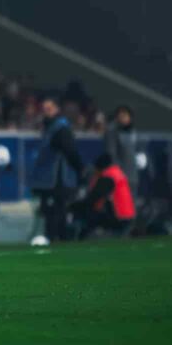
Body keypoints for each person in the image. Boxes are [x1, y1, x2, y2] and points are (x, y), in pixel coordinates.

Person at [29, 94, 86, 242]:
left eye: (50, 108)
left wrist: (81, 169)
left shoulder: (60, 128)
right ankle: (56, 238)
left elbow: (70, 151)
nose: (46, 111)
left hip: (57, 180)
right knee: (53, 212)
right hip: (50, 180)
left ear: (57, 109)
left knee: (57, 212)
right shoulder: (51, 127)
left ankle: (57, 238)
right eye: (44, 109)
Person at [72, 153, 136, 239]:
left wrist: (73, 207)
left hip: (118, 218)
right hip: (127, 217)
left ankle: (81, 237)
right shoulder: (117, 173)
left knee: (86, 212)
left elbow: (93, 198)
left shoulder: (107, 177)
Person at [103, 105, 139, 197]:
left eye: (126, 115)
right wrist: (118, 175)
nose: (123, 118)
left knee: (130, 205)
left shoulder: (132, 131)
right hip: (120, 177)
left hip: (132, 176)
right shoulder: (112, 131)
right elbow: (111, 154)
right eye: (121, 115)